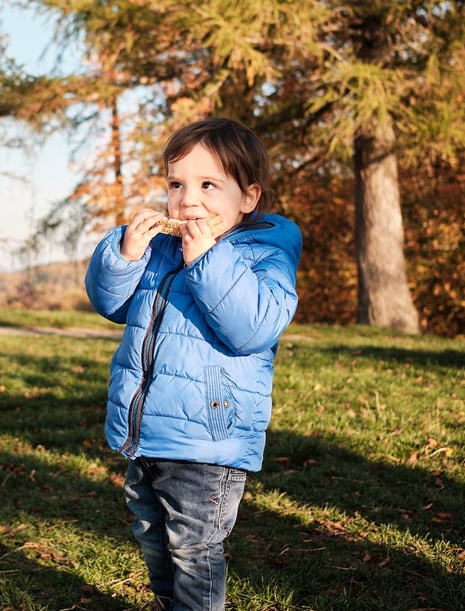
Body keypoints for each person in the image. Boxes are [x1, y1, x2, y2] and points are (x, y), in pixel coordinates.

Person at [84, 117, 302, 611]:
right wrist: (124, 255)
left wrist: (206, 259)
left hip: (209, 437)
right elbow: (110, 303)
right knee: (153, 537)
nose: (188, 200)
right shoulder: (160, 250)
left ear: (248, 197)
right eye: (177, 184)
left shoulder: (263, 253)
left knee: (194, 548)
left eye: (208, 185)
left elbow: (253, 327)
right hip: (149, 431)